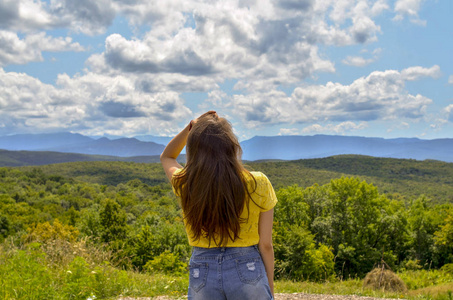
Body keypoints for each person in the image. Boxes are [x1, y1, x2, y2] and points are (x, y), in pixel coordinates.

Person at [160, 111, 277, 300]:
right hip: (247, 266)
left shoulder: (186, 184)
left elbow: (167, 157)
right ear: (231, 146)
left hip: (202, 269)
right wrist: (269, 287)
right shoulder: (258, 183)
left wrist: (192, 127)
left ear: (194, 149)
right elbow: (265, 245)